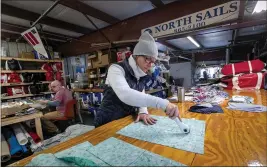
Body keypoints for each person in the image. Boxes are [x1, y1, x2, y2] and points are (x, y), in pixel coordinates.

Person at [94, 32, 180, 127]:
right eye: (147, 59)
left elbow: (140, 91)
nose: (150, 65)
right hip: (107, 122)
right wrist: (163, 103)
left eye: (153, 61)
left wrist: (143, 111)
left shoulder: (141, 74)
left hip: (126, 122)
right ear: (136, 55)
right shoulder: (116, 69)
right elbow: (126, 94)